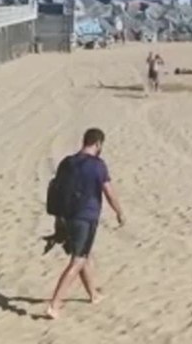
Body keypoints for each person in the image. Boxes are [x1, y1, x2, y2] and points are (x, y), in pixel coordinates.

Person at [46, 128, 126, 320]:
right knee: (78, 259)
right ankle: (55, 304)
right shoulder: (98, 166)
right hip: (85, 217)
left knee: (83, 255)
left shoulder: (67, 162)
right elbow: (108, 191)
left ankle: (93, 294)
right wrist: (120, 212)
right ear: (98, 144)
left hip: (66, 216)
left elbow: (56, 189)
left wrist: (58, 219)